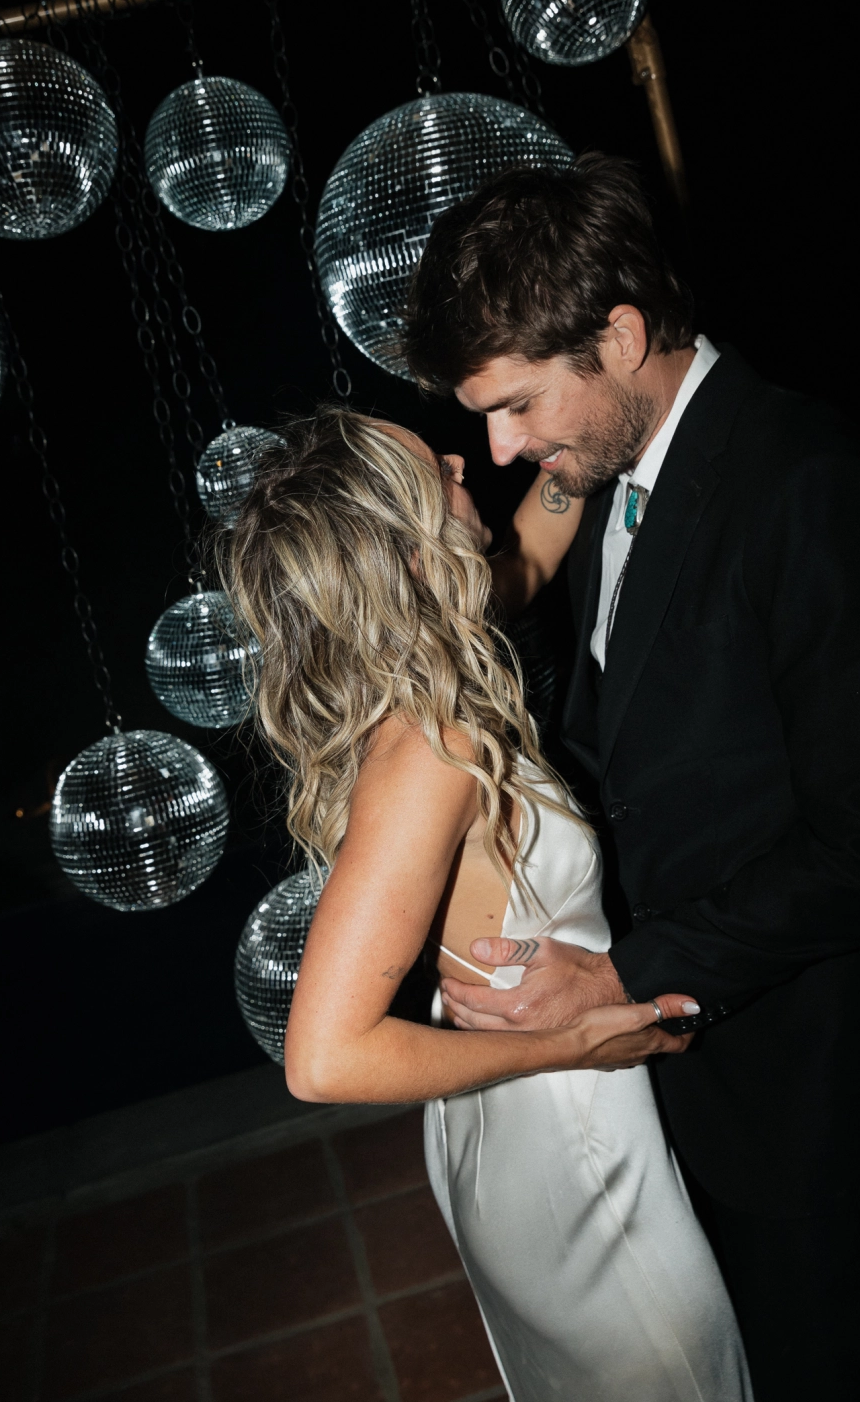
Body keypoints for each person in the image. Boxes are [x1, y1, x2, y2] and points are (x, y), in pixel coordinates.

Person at [403, 153, 860, 1401]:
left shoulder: (813, 488)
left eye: (518, 404)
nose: (499, 446)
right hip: (696, 1088)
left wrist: (627, 973)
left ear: (623, 338)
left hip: (814, 1090)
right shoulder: (598, 474)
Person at [224, 407, 752, 1402]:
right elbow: (323, 1058)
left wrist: (583, 423)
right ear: (408, 548)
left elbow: (540, 539)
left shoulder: (440, 650)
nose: (464, 455)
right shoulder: (431, 753)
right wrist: (572, 1042)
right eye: (438, 467)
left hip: (508, 1119)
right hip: (569, 1133)